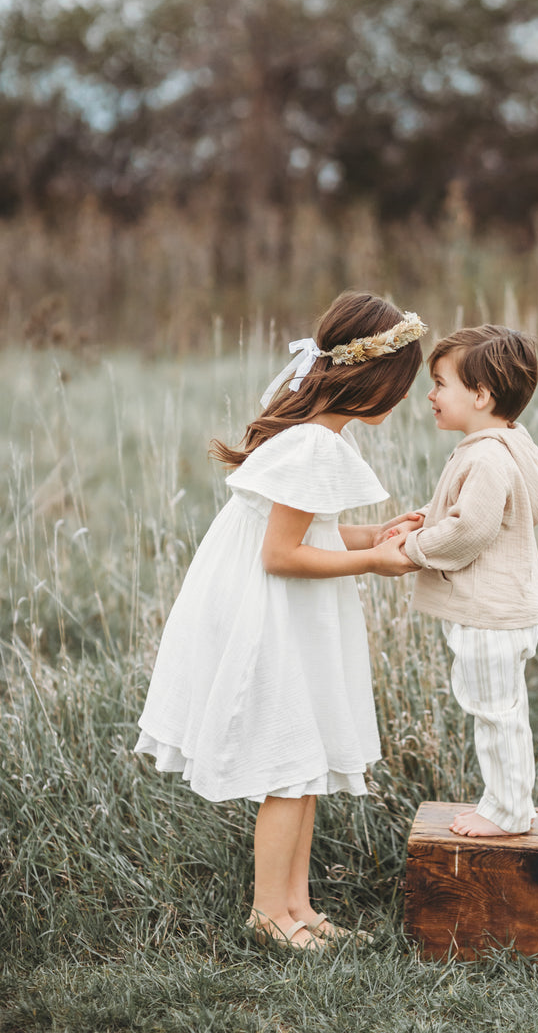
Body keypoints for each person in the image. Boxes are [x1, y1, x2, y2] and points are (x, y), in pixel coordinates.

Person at [135, 292, 426, 950]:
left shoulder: (313, 438)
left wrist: (373, 534)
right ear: (372, 377)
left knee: (307, 762)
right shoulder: (313, 447)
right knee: (290, 765)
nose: (406, 397)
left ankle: (300, 908)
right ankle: (269, 914)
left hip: (277, 606)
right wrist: (375, 564)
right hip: (267, 613)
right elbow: (283, 553)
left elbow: (312, 530)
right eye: (403, 383)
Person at [383, 325, 538, 837]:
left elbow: (469, 530)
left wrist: (413, 550)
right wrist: (425, 516)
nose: (430, 395)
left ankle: (506, 811)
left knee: (494, 713)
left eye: (439, 384)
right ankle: (509, 800)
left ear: (480, 395)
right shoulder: (511, 442)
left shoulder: (484, 456)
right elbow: (480, 512)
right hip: (510, 609)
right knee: (505, 710)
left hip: (488, 614)